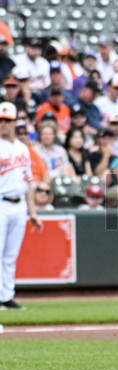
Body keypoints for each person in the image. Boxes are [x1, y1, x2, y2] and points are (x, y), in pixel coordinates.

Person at [0, 101, 42, 310]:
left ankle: (6, 297)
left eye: (8, 120)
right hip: (1, 203)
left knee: (10, 255)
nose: (4, 124)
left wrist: (32, 211)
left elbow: (29, 182)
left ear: (16, 122)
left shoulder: (23, 149)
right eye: (1, 120)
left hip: (18, 206)